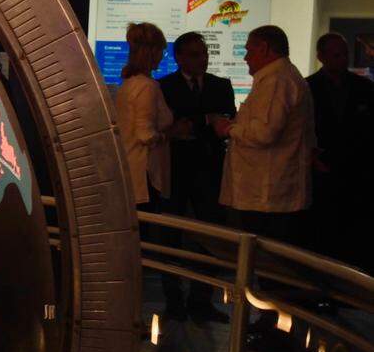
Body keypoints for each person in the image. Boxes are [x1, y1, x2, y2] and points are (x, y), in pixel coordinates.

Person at [159, 32, 236, 322]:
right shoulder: (164, 86)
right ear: (178, 57)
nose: (202, 59)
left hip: (209, 169)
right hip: (175, 169)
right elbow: (170, 124)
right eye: (194, 54)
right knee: (169, 235)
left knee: (211, 235)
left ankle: (202, 300)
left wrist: (194, 123)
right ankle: (173, 300)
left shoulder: (220, 85)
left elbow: (226, 120)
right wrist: (205, 119)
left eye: (204, 53)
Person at [213, 25, 314, 243]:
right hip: (269, 193)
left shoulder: (276, 81)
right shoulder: (282, 77)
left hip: (267, 195)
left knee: (265, 256)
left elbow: (264, 133)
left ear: (265, 49)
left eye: (249, 50)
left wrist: (229, 128)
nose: (246, 58)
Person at [307, 32, 374, 271]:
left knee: (355, 231)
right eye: (336, 54)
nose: (343, 59)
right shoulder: (307, 87)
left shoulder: (365, 88)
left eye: (345, 54)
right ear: (321, 56)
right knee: (322, 230)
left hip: (358, 172)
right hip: (321, 169)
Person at [116, 23, 179, 211]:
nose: (162, 56)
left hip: (131, 169)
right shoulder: (147, 86)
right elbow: (145, 135)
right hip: (144, 174)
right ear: (152, 52)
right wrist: (172, 133)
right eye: (161, 51)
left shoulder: (129, 84)